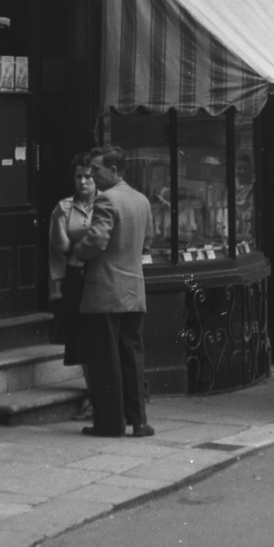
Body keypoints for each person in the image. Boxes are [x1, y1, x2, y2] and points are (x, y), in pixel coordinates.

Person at [73, 144, 153, 438]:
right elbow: (147, 243)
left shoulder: (106, 199)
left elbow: (96, 240)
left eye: (96, 169)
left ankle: (109, 423)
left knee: (105, 359)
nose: (92, 174)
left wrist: (76, 251)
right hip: (133, 290)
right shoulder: (141, 200)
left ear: (114, 170)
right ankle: (139, 421)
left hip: (105, 291)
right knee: (132, 356)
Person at [48, 154, 97, 419]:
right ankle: (92, 396)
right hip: (77, 276)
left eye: (88, 176)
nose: (83, 181)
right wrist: (56, 286)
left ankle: (102, 395)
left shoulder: (107, 203)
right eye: (78, 176)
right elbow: (60, 248)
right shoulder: (64, 208)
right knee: (84, 340)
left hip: (102, 277)